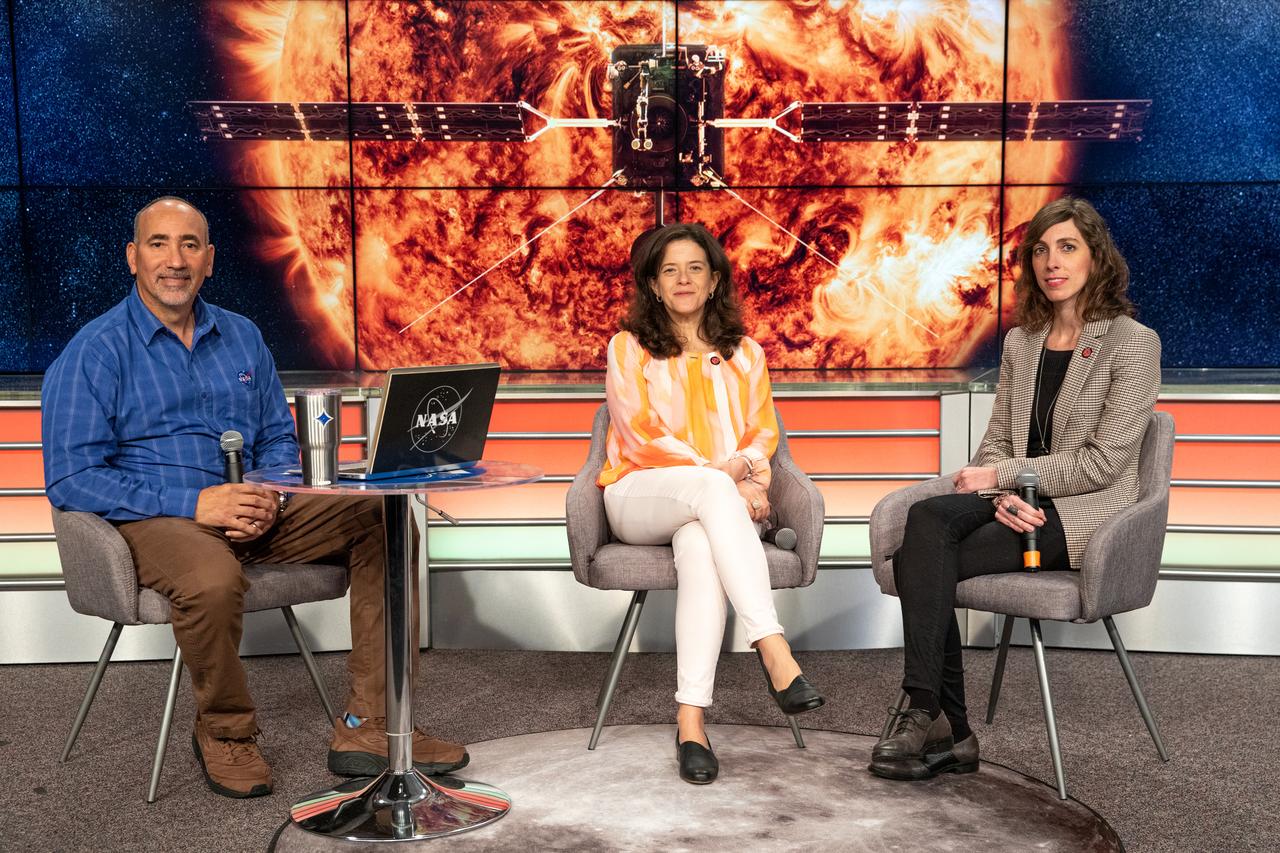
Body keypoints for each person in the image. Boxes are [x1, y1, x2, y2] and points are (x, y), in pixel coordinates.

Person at [42, 197, 467, 798]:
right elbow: (71, 477)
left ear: (210, 260)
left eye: (190, 245)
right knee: (211, 577)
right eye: (159, 244)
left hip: (253, 510)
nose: (175, 260)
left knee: (385, 518)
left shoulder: (241, 337)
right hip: (157, 515)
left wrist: (271, 494)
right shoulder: (95, 350)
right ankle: (226, 731)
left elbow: (274, 437)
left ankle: (370, 725)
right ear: (132, 257)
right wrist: (197, 503)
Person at [868, 197, 1161, 781]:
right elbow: (996, 442)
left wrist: (1006, 478)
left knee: (919, 561)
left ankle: (936, 718)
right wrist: (1002, 491)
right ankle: (942, 725)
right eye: (1042, 250)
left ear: (1096, 258)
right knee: (926, 522)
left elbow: (1102, 464)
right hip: (1019, 503)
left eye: (1068, 247)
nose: (1052, 262)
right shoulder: (1024, 342)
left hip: (1082, 516)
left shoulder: (1133, 342)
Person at [599, 222, 826, 785]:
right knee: (708, 492)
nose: (682, 278)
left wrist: (744, 472)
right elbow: (640, 435)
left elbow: (762, 434)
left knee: (701, 546)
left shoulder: (746, 354)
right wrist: (730, 477)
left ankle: (691, 723)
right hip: (638, 495)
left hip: (708, 506)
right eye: (669, 269)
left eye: (695, 267)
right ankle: (773, 648)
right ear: (652, 284)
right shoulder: (629, 349)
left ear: (714, 279)